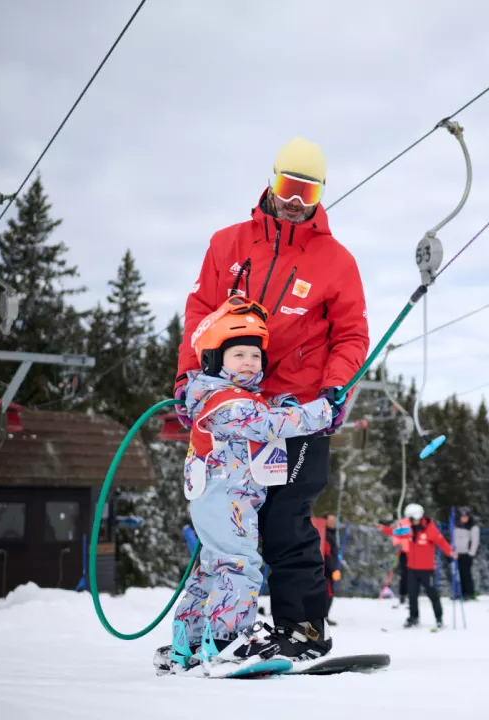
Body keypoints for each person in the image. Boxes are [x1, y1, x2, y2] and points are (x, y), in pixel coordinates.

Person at [172, 137, 369, 664]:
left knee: (287, 516)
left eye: (308, 192)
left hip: (298, 411)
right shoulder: (228, 245)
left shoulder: (336, 262)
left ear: (321, 194)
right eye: (288, 187)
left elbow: (351, 335)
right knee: (231, 519)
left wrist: (334, 389)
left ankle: (300, 627)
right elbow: (199, 316)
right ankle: (207, 632)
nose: (295, 201)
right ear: (272, 180)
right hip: (234, 409)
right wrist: (190, 380)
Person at [154, 296, 334, 677]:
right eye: (238, 355)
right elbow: (268, 425)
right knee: (240, 565)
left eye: (255, 356)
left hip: (224, 501)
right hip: (224, 501)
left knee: (211, 571)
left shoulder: (234, 398)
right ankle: (228, 642)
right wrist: (321, 411)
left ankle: (188, 644)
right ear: (216, 361)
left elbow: (263, 413)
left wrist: (284, 402)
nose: (250, 363)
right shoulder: (221, 400)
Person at [380, 504, 456, 628]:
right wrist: (383, 529)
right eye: (409, 519)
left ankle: (439, 618)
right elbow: (395, 532)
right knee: (412, 594)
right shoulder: (408, 529)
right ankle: (413, 617)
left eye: (412, 519)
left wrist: (451, 552)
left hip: (427, 569)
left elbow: (441, 541)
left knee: (432, 594)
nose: (411, 522)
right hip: (412, 568)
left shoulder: (430, 529)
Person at [453, 507, 480, 600]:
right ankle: (461, 592)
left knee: (466, 573)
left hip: (466, 553)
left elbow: (475, 541)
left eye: (465, 516)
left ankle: (469, 592)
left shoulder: (473, 526)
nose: (464, 518)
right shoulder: (456, 525)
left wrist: (471, 553)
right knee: (458, 573)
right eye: (462, 516)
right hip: (457, 553)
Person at [322, 513, 341, 625]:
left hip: (330, 569)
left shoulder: (332, 534)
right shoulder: (326, 534)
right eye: (330, 521)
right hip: (326, 571)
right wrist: (334, 570)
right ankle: (323, 618)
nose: (332, 523)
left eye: (334, 521)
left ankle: (324, 617)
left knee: (329, 594)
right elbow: (328, 555)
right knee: (328, 594)